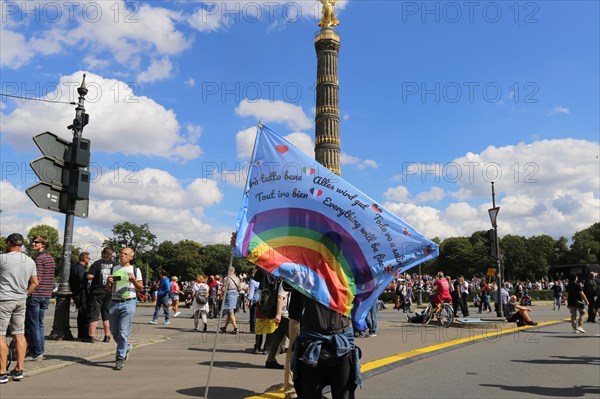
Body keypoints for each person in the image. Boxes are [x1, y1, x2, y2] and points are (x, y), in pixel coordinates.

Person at [293, 297, 361, 399]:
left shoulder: (349, 281)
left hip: (341, 343)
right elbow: (288, 284)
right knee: (310, 393)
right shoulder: (307, 281)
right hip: (312, 341)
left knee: (344, 394)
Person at [0, 233, 39, 384]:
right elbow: (35, 282)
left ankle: (2, 372)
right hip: (20, 301)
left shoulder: (2, 258)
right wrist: (24, 293)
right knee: (20, 335)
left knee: (1, 335)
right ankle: (19, 370)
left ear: (9, 243)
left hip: (3, 300)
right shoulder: (30, 261)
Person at [107, 248, 143, 370]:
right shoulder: (114, 269)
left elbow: (141, 288)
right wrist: (108, 282)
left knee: (123, 332)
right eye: (121, 253)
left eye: (125, 254)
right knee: (113, 331)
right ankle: (126, 346)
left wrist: (133, 280)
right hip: (114, 302)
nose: (122, 255)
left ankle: (120, 358)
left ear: (131, 257)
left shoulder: (135, 270)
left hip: (128, 302)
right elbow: (109, 287)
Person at [25, 235, 55, 362]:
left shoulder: (39, 259)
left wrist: (27, 292)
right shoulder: (51, 259)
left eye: (36, 242)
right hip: (46, 295)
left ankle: (37, 352)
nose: (33, 244)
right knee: (40, 324)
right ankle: (40, 351)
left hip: (36, 295)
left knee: (34, 325)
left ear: (43, 244)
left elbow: (37, 279)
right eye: (33, 241)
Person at [86, 247, 115, 343]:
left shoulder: (97, 263)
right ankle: (107, 336)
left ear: (102, 254)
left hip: (97, 291)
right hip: (109, 291)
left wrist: (87, 275)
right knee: (106, 315)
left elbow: (90, 276)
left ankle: (91, 336)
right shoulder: (114, 265)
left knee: (94, 314)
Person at [265, 280, 290, 369]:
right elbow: (280, 297)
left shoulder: (287, 281)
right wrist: (279, 314)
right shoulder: (286, 282)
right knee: (295, 340)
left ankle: (270, 360)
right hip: (286, 315)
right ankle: (295, 364)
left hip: (285, 314)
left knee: (278, 337)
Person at [69, 252, 90, 341]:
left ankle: (81, 334)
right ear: (84, 259)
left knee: (81, 314)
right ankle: (83, 335)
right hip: (81, 294)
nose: (89, 260)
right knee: (84, 314)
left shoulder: (74, 267)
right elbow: (81, 280)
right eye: (88, 258)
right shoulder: (81, 269)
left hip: (76, 293)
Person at [219, 267, 240, 334]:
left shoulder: (226, 278)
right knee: (230, 312)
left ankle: (235, 328)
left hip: (229, 294)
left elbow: (223, 289)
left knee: (230, 311)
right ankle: (224, 327)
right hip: (236, 294)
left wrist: (221, 289)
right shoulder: (237, 278)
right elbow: (239, 288)